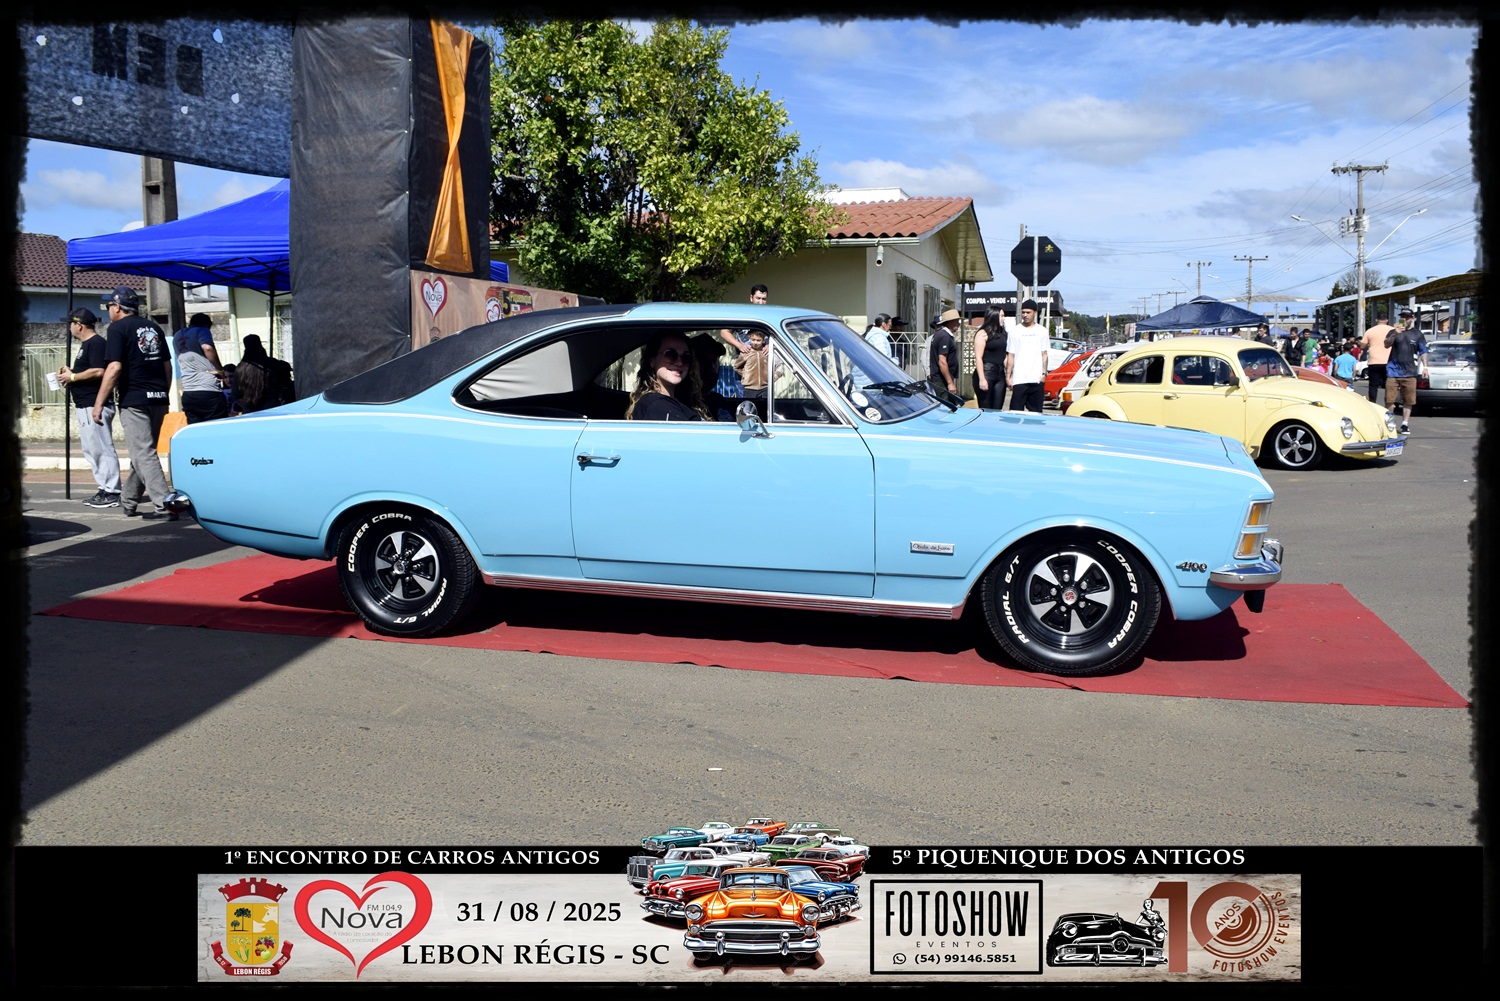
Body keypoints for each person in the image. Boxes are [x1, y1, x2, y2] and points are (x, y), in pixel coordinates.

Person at [91, 286, 174, 518]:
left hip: (134, 399)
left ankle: (164, 504)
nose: (108, 310)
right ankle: (128, 500)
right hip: (158, 398)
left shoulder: (117, 328)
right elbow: (167, 366)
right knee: (143, 452)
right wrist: (164, 394)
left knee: (144, 453)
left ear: (117, 307)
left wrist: (99, 403)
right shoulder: (154, 327)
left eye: (109, 305)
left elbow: (114, 367)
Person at [56, 307, 122, 507]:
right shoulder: (87, 345)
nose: (69, 328)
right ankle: (104, 488)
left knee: (101, 448)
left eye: (70, 324)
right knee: (92, 450)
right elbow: (89, 370)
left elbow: (99, 371)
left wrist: (73, 376)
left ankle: (112, 491)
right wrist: (70, 374)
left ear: (79, 325)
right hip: (86, 404)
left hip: (94, 404)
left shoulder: (96, 343)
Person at [626, 332, 709, 421]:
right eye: (670, 354)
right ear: (652, 360)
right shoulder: (656, 405)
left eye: (686, 357)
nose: (679, 362)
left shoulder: (684, 402)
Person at [172, 313, 229, 424]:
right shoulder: (202, 330)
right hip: (208, 390)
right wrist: (220, 370)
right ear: (207, 325)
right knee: (217, 427)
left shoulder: (178, 335)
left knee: (195, 428)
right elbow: (207, 348)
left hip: (188, 391)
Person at [1384, 309, 1428, 435]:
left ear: (1413, 319)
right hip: (1393, 371)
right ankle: (1389, 423)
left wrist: (1425, 367)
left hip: (1410, 372)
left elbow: (1423, 351)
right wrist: (1395, 333)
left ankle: (1405, 424)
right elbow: (1386, 344)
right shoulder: (1393, 331)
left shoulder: (1417, 334)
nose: (1405, 319)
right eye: (1403, 316)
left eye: (1407, 317)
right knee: (1389, 399)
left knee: (1408, 400)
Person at [1005, 299, 1049, 412]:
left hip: (1036, 379)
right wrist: (1008, 376)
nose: (1025, 315)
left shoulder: (1042, 331)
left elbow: (1044, 354)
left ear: (1035, 313)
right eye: (1023, 312)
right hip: (1019, 379)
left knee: (1036, 414)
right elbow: (1011, 355)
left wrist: (1044, 374)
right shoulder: (1014, 331)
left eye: (1028, 312)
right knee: (1015, 413)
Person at [234, 334, 294, 413]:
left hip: (250, 411)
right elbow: (285, 384)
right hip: (273, 408)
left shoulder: (240, 369)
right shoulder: (274, 364)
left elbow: (235, 394)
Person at [688, 332, 740, 422]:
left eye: (714, 360)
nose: (712, 367)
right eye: (704, 361)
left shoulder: (718, 401)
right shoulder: (685, 403)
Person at [971, 306, 1008, 410]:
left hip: (1000, 373)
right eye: (1001, 316)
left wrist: (1009, 374)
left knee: (997, 408)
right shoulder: (982, 333)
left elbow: (1004, 356)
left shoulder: (1003, 333)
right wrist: (982, 379)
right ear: (994, 316)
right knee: (986, 408)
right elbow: (978, 357)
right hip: (986, 372)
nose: (1004, 318)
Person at [733, 329, 772, 420]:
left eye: (758, 340)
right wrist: (746, 375)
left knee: (764, 409)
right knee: (748, 410)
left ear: (763, 340)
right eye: (753, 340)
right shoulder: (746, 352)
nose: (755, 343)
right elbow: (736, 366)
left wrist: (769, 377)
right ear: (749, 339)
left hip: (764, 387)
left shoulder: (766, 352)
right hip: (750, 387)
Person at [720, 284, 769, 354]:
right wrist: (739, 345)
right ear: (751, 298)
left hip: (765, 358)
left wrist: (770, 346)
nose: (761, 302)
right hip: (744, 358)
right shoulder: (742, 315)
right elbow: (724, 332)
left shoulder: (769, 316)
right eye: (758, 298)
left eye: (763, 299)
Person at [1361, 310, 1396, 405]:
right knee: (1389, 385)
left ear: (1376, 320)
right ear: (1387, 320)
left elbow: (1362, 346)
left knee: (1373, 385)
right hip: (1389, 361)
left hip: (1374, 361)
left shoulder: (1370, 331)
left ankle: (1373, 404)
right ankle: (1388, 404)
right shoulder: (1393, 330)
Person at [927, 308, 963, 397]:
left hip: (943, 379)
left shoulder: (942, 334)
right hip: (941, 380)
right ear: (950, 322)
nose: (958, 324)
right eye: (956, 321)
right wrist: (950, 383)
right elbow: (942, 361)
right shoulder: (944, 336)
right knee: (947, 404)